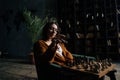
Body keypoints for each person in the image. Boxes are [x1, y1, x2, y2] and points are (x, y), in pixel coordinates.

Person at [33, 21, 116, 80]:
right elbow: (46, 61)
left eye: (55, 30)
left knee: (99, 73)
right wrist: (53, 45)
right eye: (51, 29)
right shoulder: (40, 43)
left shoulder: (59, 42)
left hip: (69, 66)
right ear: (46, 30)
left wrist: (71, 61)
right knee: (92, 76)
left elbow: (68, 53)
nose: (54, 31)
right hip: (59, 71)